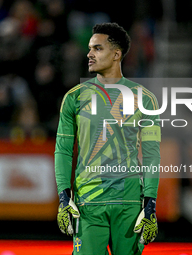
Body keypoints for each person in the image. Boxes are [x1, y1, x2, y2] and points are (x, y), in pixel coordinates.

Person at [54, 22, 161, 255]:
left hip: (130, 205)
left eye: (97, 48)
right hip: (88, 205)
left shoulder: (145, 100)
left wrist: (150, 202)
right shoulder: (74, 97)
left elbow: (153, 154)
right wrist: (64, 195)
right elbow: (62, 150)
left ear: (116, 55)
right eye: (90, 48)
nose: (89, 54)